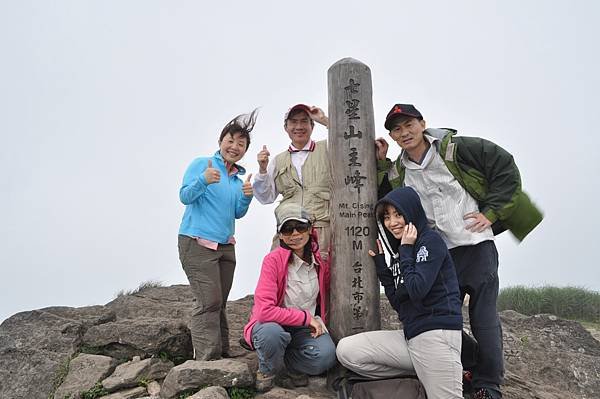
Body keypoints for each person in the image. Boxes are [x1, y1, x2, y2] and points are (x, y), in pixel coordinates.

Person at [375, 104, 544, 399]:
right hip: (438, 253)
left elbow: (504, 165)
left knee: (483, 317)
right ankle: (468, 367)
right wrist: (379, 165)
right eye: (397, 129)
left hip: (475, 246)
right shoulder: (399, 170)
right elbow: (387, 201)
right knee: (440, 317)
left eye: (409, 125)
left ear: (422, 123)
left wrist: (491, 213)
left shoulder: (457, 149)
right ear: (392, 136)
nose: (405, 133)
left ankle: (488, 385)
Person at [336, 186, 464, 399]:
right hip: (410, 338)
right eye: (386, 217)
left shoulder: (429, 241)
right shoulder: (399, 252)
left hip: (436, 335)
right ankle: (423, 375)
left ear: (412, 211)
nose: (392, 222)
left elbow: (417, 290)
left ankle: (438, 371)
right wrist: (383, 269)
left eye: (398, 214)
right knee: (347, 351)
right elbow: (399, 302)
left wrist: (405, 250)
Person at [178, 109, 258, 361]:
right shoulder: (203, 164)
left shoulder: (236, 179)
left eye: (241, 144)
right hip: (196, 242)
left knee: (220, 301)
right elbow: (185, 196)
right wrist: (203, 180)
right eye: (230, 141)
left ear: (245, 150)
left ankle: (222, 350)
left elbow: (236, 213)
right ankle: (206, 358)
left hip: (225, 245)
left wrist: (246, 198)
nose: (234, 147)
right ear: (220, 141)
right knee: (208, 301)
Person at [242, 202, 336, 392]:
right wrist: (306, 318)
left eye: (300, 227)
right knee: (271, 335)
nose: (294, 234)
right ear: (280, 234)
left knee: (326, 356)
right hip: (274, 325)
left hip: (303, 330)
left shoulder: (319, 261)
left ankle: (283, 363)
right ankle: (267, 369)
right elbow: (264, 312)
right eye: (287, 229)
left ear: (310, 228)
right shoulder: (272, 260)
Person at [253, 104, 331, 260]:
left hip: (321, 229)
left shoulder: (328, 147)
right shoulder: (278, 160)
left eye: (304, 121)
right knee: (282, 276)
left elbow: (350, 140)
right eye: (293, 122)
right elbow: (266, 197)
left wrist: (325, 120)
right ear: (286, 127)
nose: (299, 126)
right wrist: (262, 170)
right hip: (289, 232)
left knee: (323, 278)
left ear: (312, 126)